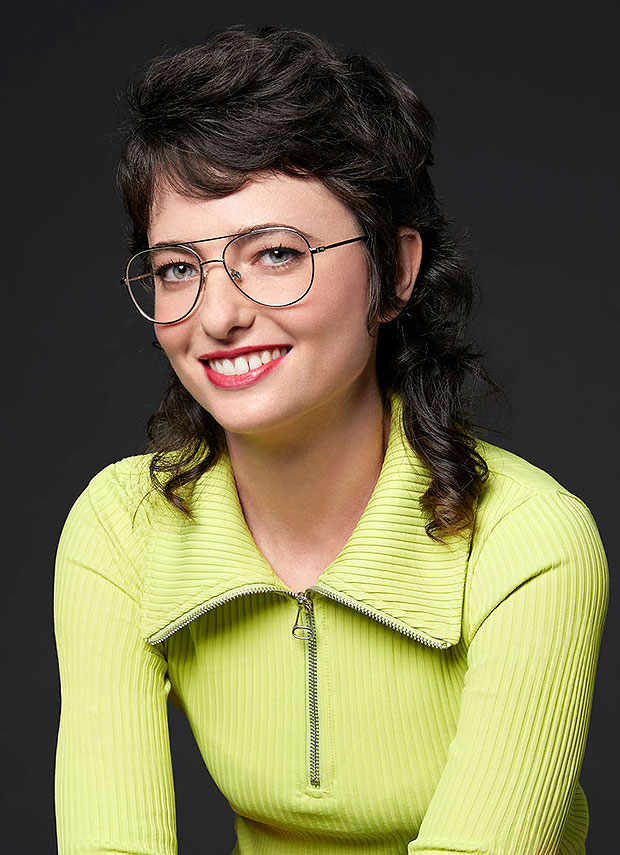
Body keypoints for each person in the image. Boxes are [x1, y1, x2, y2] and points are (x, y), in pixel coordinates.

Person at [53, 25, 609, 855]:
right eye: (177, 267)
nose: (217, 316)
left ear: (396, 271)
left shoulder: (529, 542)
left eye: (276, 254)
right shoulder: (122, 527)